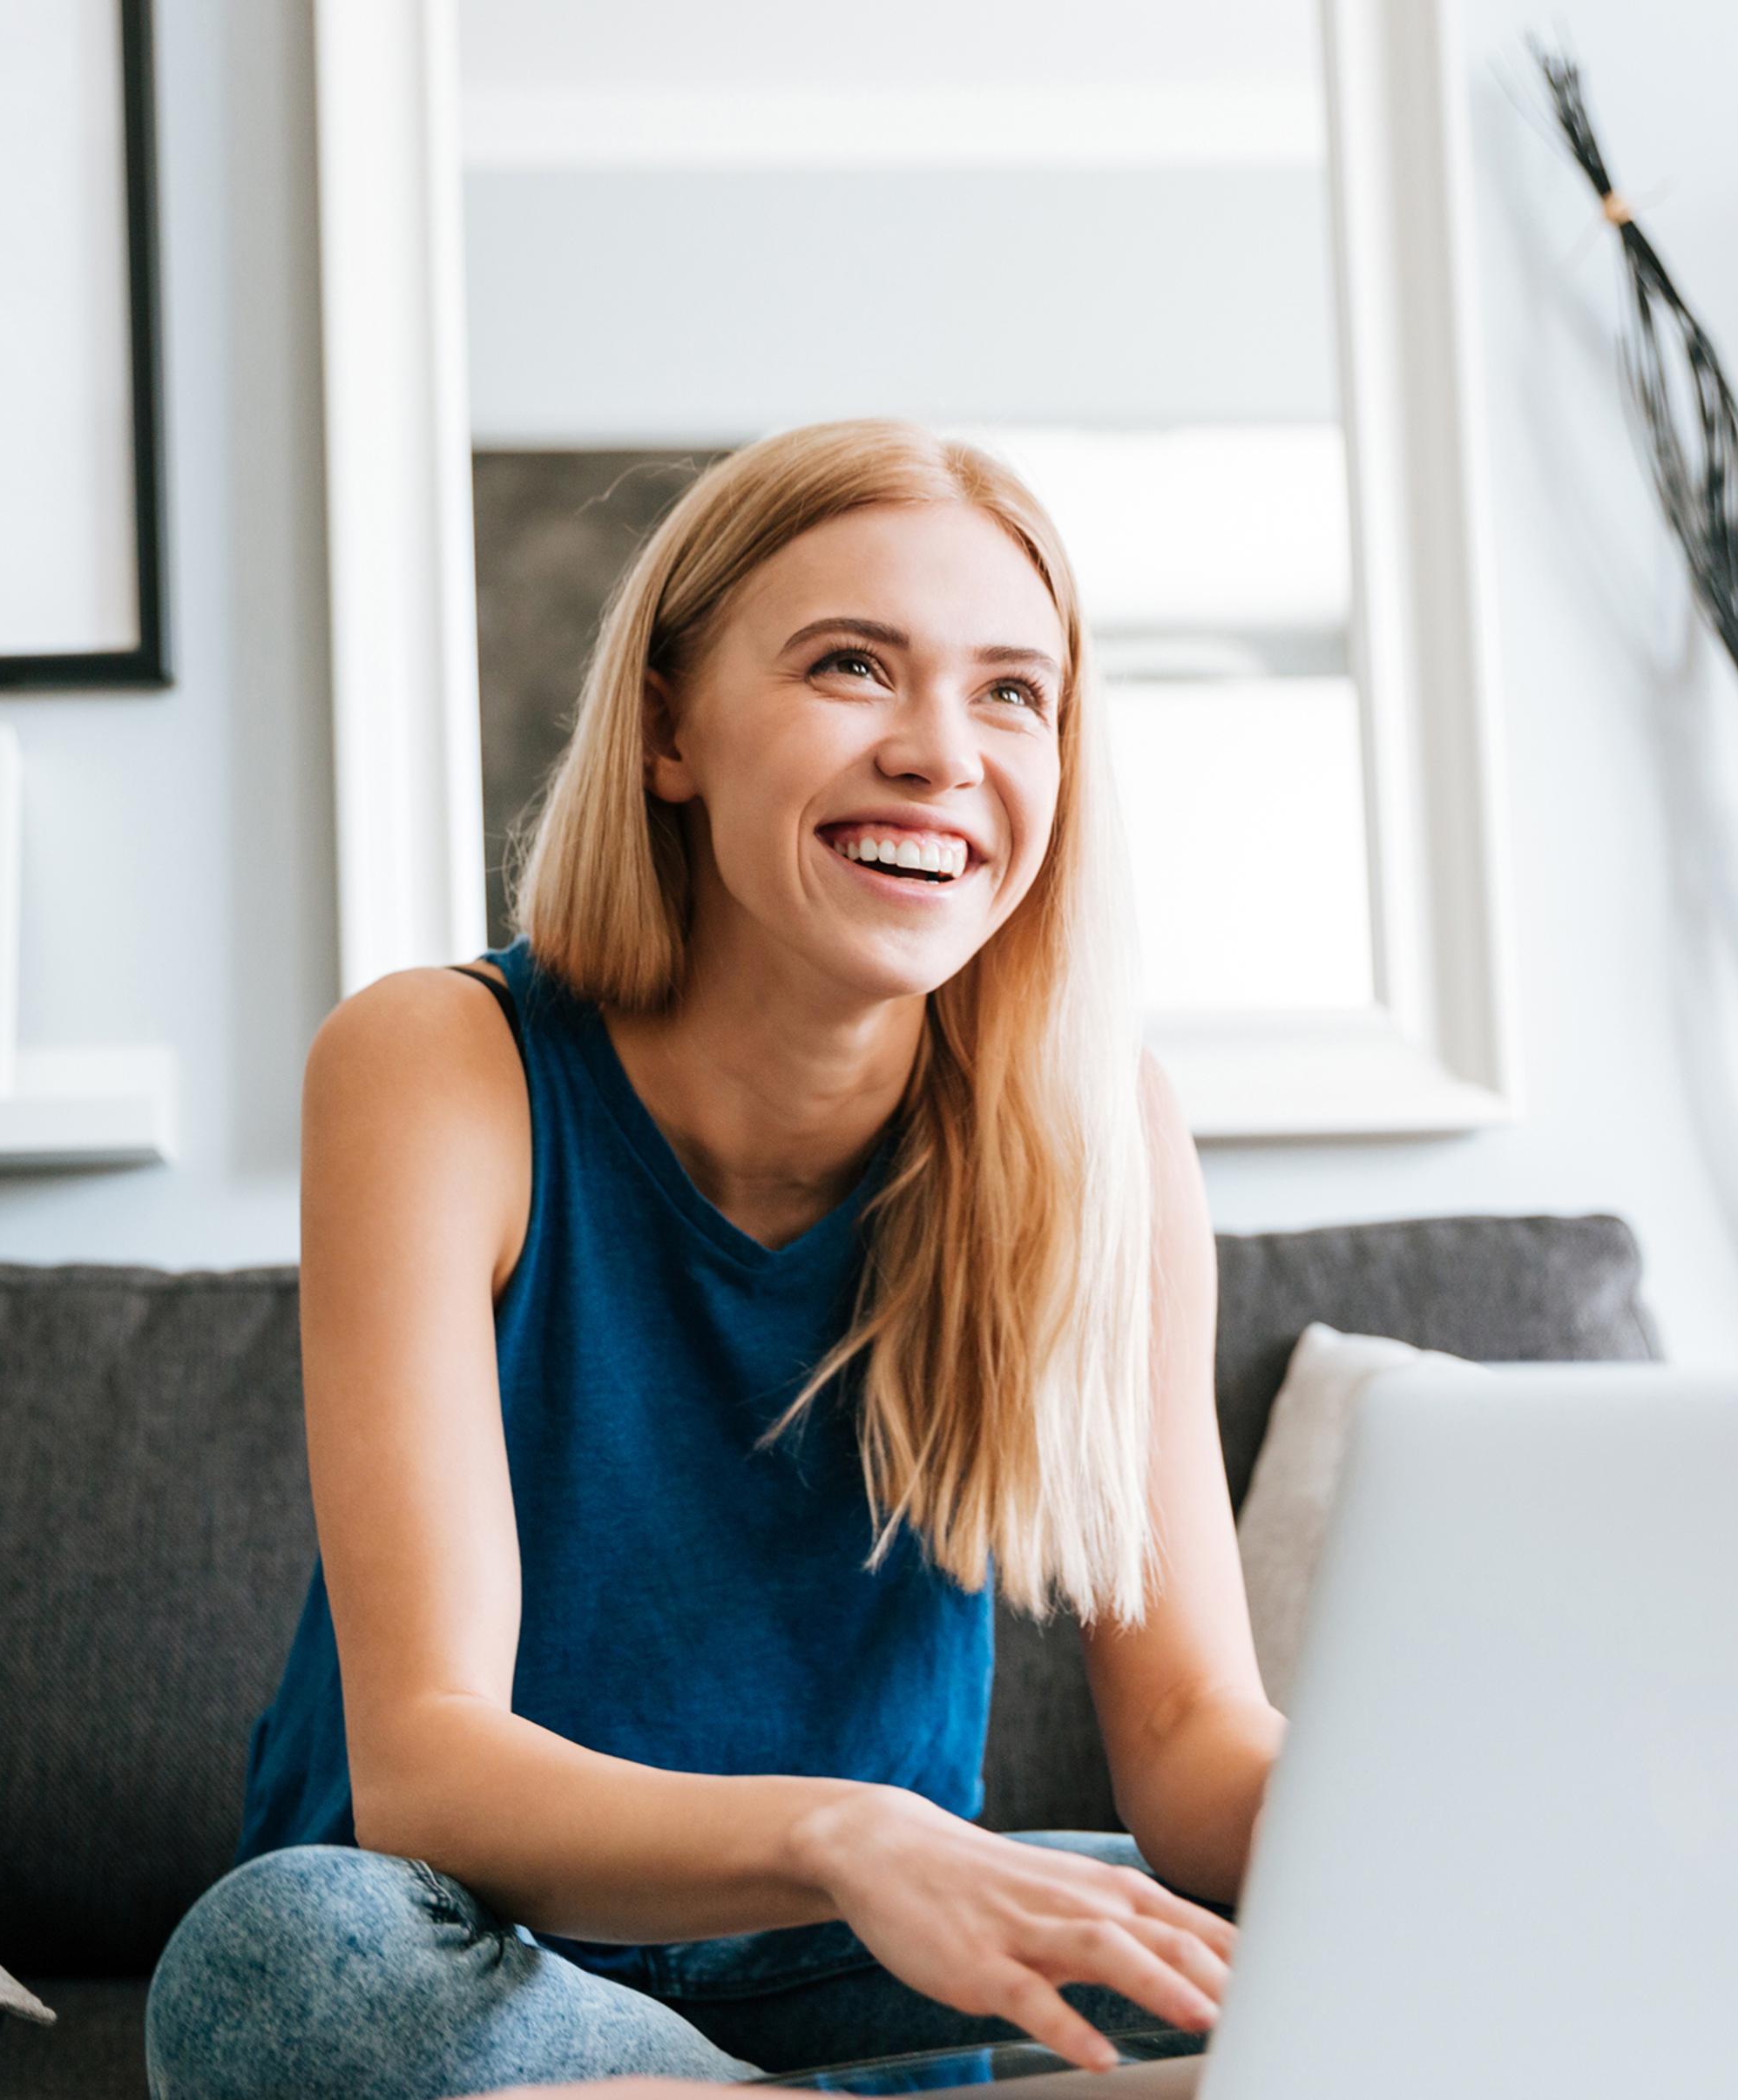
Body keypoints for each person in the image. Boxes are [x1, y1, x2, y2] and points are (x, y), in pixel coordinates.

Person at [145, 422, 1282, 2100]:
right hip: (481, 1960)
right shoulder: (441, 1068)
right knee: (277, 1966)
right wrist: (849, 1837)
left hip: (859, 1959)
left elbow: (1188, 1743)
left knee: (1334, 1952)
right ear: (670, 731)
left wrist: (1455, 1842)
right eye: (852, 666)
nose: (940, 752)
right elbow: (430, 1766)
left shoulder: (1097, 1127)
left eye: (1011, 694)